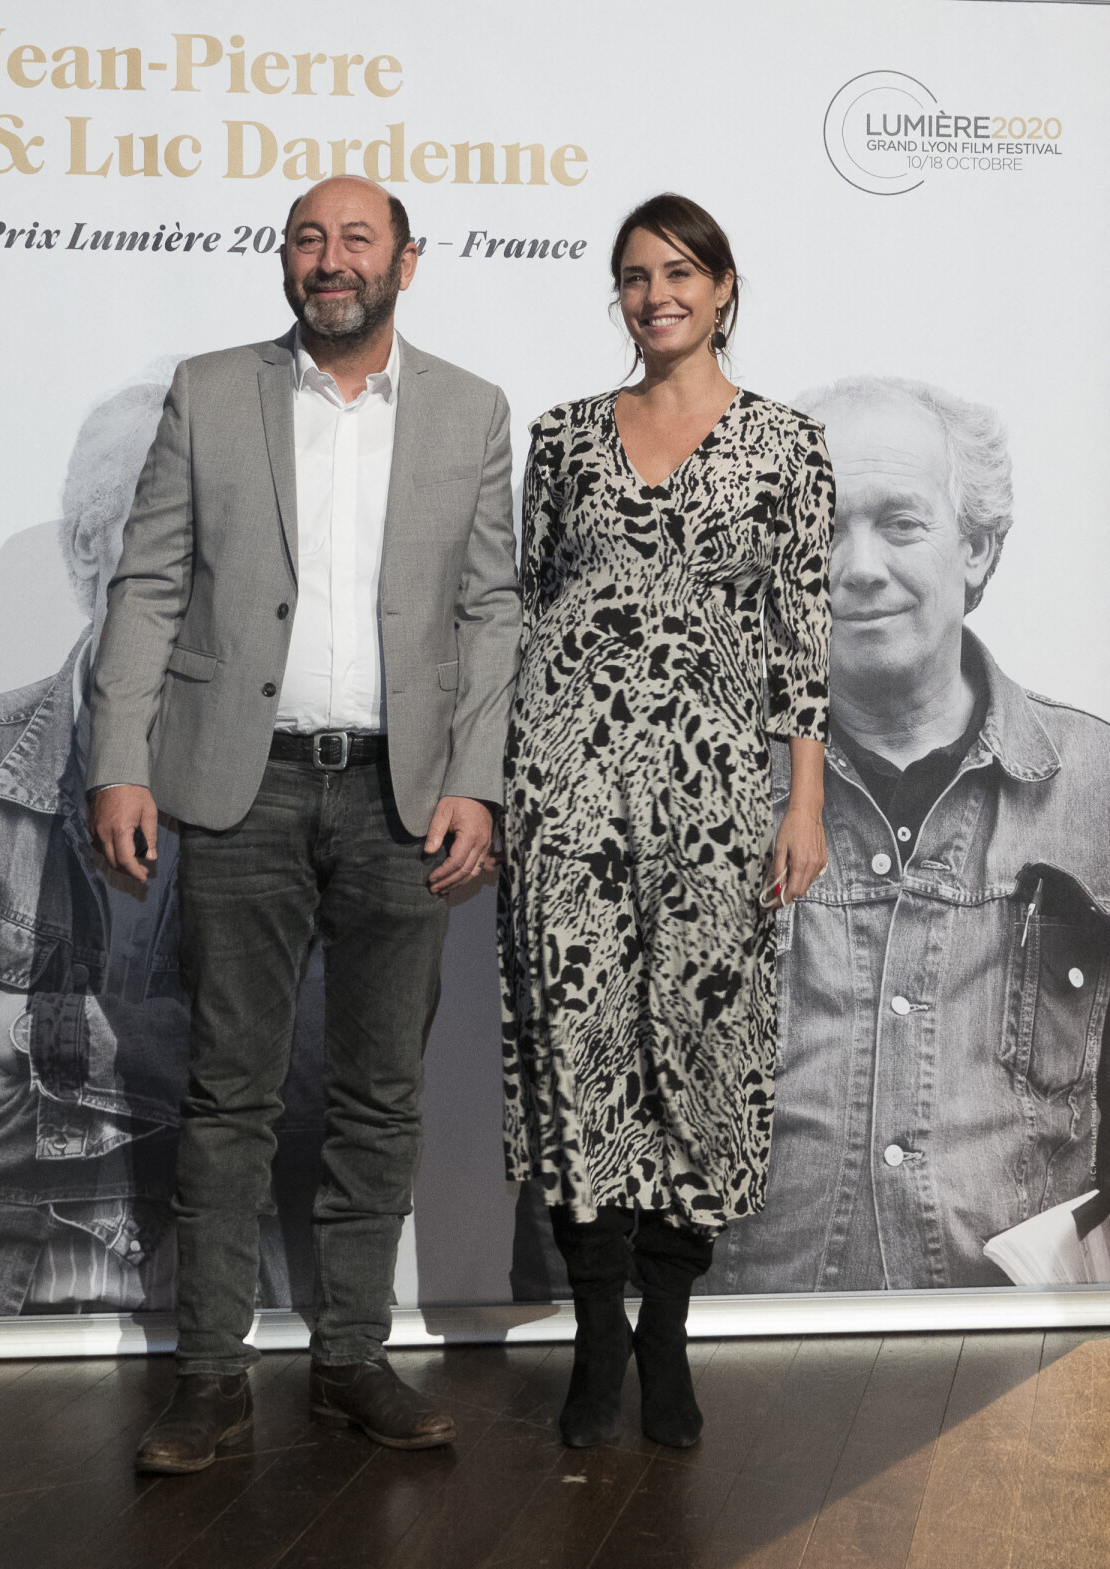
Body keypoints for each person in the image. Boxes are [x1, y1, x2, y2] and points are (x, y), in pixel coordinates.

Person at [88, 176, 520, 1471]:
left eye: (355, 240)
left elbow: (492, 609)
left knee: (378, 1094)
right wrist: (120, 760)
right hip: (239, 787)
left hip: (405, 798)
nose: (328, 261)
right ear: (287, 260)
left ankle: (349, 1359)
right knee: (229, 1094)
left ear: (407, 261)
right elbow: (151, 583)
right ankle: (211, 1379)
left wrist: (477, 779)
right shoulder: (211, 391)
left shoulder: (470, 410)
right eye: (307, 239)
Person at [499, 193, 833, 1449]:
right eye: (635, 276)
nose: (656, 295)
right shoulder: (567, 438)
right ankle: (596, 1333)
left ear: (726, 287)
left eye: (680, 272)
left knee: (699, 1053)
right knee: (580, 1051)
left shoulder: (791, 446)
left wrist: (800, 800)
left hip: (718, 800)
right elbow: (529, 610)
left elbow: (802, 639)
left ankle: (668, 1332)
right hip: (567, 781)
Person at [708, 376, 1110, 1294]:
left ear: (977, 549)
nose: (856, 566)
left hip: (1023, 1374)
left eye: (901, 523)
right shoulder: (689, 789)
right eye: (823, 527)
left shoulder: (1099, 790)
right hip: (739, 1375)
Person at [0, 379, 195, 1317]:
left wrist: (20, 1033)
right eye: (174, 534)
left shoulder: (300, 787)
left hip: (226, 1325)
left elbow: (320, 1078)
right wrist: (193, 1118)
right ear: (87, 547)